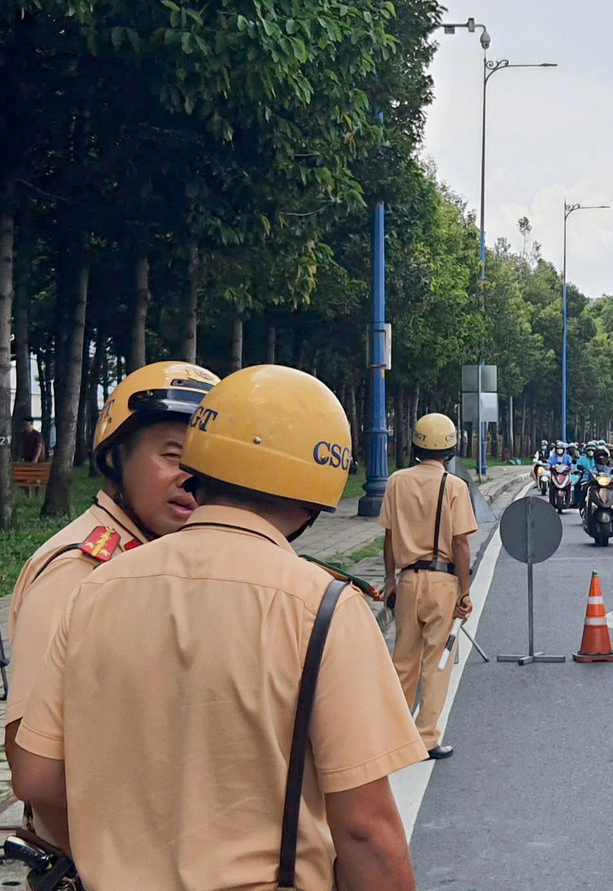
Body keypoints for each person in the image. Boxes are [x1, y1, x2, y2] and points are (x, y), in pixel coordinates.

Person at [12, 364, 423, 890]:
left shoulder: (94, 589)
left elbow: (35, 776)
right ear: (318, 495)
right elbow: (366, 832)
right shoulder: (322, 607)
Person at [4, 361, 219, 844]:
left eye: (207, 464)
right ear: (118, 455)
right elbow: (31, 770)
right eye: (173, 456)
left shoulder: (168, 559)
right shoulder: (78, 572)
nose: (191, 479)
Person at [380, 413, 477, 761]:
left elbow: (389, 538)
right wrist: (465, 592)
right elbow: (462, 544)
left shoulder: (396, 481)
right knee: (438, 662)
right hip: (443, 581)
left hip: (407, 580)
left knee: (403, 659)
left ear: (415, 444)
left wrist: (390, 581)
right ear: (451, 448)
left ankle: (394, 734)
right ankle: (425, 739)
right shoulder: (454, 487)